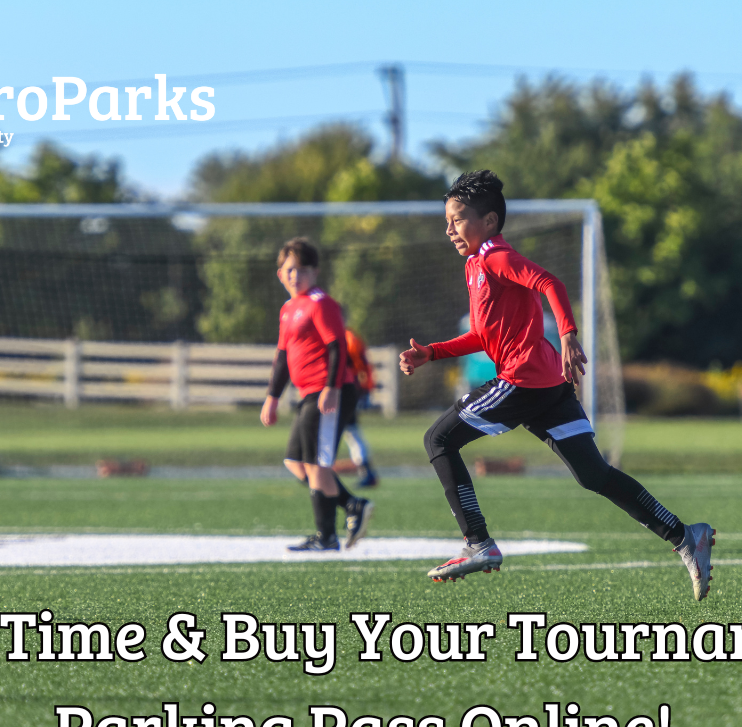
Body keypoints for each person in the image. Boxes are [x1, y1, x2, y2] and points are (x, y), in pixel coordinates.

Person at [400, 170, 715, 596]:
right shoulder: (477, 265)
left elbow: (550, 282)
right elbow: (483, 335)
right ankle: (685, 536)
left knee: (438, 439)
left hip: (524, 379)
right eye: (448, 221)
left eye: (457, 219)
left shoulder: (495, 255)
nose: (449, 229)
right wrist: (432, 352)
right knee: (593, 474)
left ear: (489, 222)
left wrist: (567, 333)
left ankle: (478, 543)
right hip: (547, 385)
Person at [261, 237, 373, 551]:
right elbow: (283, 357)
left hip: (328, 392)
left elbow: (337, 348)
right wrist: (272, 398)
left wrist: (332, 388)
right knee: (295, 462)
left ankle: (327, 537)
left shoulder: (320, 303)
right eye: (289, 270)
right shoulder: (288, 309)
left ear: (315, 272)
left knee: (317, 466)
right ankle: (352, 505)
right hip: (307, 394)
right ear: (280, 274)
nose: (295, 275)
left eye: (302, 269)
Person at [343, 327, 380, 487]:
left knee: (350, 432)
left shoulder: (348, 338)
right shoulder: (344, 336)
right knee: (350, 432)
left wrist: (365, 389)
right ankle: (366, 471)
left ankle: (366, 471)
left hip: (345, 390)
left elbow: (362, 366)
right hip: (339, 390)